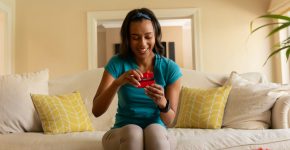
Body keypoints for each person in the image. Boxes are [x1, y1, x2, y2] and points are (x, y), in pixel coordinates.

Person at [92, 7, 182, 150]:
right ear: (127, 38)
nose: (142, 44)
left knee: (154, 131)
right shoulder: (117, 63)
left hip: (159, 133)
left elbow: (169, 121)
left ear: (156, 35)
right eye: (135, 37)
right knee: (134, 132)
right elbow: (96, 111)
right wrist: (117, 83)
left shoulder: (170, 68)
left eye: (148, 36)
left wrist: (162, 102)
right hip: (122, 133)